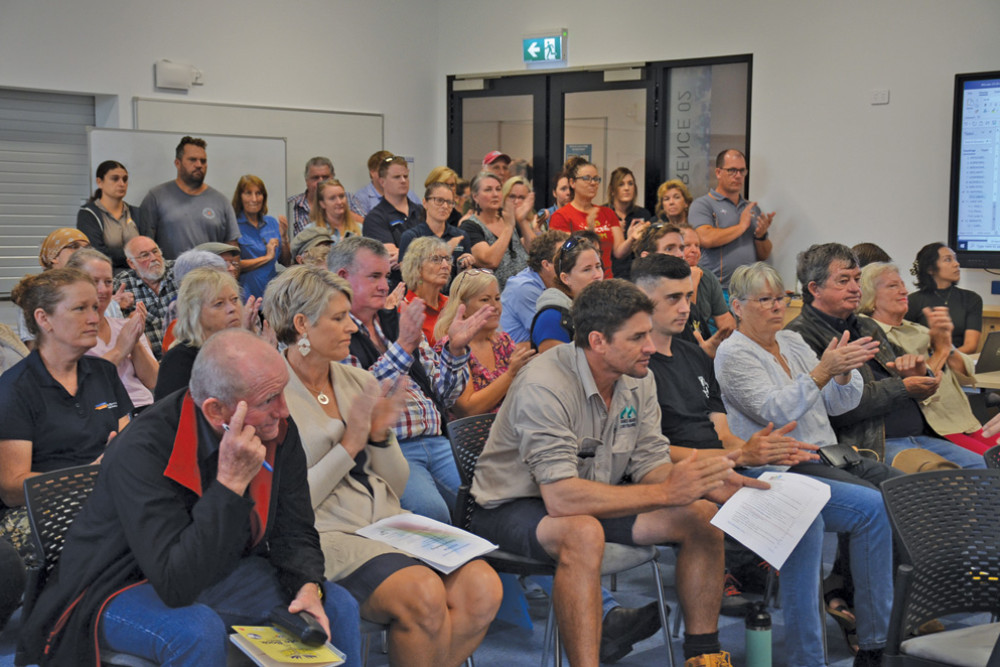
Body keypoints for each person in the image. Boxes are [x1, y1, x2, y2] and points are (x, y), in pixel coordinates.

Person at [17, 329, 362, 666]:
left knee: (336, 605)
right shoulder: (143, 450)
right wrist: (229, 485)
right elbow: (176, 584)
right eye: (268, 400)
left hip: (214, 566)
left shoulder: (274, 428)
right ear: (215, 411)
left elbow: (295, 529)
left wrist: (306, 585)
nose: (284, 411)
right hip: (115, 583)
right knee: (196, 630)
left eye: (283, 393)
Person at [471, 278, 765, 667]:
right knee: (582, 532)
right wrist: (667, 492)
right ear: (597, 342)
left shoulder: (637, 377)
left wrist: (705, 482)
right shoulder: (545, 384)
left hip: (592, 494)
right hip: (511, 505)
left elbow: (650, 465)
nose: (650, 347)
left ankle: (704, 656)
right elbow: (561, 499)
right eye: (638, 336)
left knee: (702, 517)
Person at [263, 266, 503, 667]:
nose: (350, 329)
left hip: (385, 519)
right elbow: (288, 503)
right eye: (338, 319)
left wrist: (378, 438)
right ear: (302, 324)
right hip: (319, 531)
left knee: (483, 588)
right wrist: (351, 443)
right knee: (423, 594)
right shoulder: (270, 391)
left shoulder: (358, 381)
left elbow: (394, 482)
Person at [711, 261, 893, 667]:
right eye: (766, 300)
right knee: (862, 511)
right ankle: (833, 651)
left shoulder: (792, 341)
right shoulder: (733, 353)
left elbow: (838, 403)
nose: (777, 307)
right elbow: (774, 411)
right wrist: (823, 371)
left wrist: (842, 374)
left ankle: (880, 637)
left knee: (893, 500)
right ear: (737, 306)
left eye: (782, 298)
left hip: (823, 456)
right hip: (774, 466)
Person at [328, 237, 493, 524]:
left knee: (490, 501)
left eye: (386, 276)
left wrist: (455, 350)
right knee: (432, 514)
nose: (384, 285)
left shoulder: (395, 320)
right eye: (374, 276)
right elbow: (360, 396)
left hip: (437, 438)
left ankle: (494, 568)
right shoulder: (333, 331)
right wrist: (403, 347)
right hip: (390, 448)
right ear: (343, 277)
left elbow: (445, 394)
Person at [784, 243, 986, 469]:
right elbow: (831, 409)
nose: (854, 288)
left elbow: (909, 374)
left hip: (924, 435)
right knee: (946, 482)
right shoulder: (799, 336)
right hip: (872, 445)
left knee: (990, 473)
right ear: (815, 289)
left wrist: (921, 372)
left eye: (857, 279)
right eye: (843, 281)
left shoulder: (867, 325)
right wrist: (904, 387)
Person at [0, 268, 132, 561]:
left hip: (111, 498)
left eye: (95, 308)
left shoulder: (104, 373)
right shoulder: (15, 389)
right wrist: (86, 477)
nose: (94, 318)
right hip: (52, 512)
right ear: (43, 319)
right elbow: (11, 489)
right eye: (79, 309)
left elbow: (125, 442)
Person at [860, 262, 994, 454]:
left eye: (903, 284)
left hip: (965, 420)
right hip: (938, 427)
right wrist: (940, 352)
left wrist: (947, 347)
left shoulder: (916, 328)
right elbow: (917, 384)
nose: (904, 291)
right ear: (869, 296)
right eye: (892, 286)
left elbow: (966, 373)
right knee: (993, 465)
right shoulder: (873, 335)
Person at [435, 268, 535, 416]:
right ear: (463, 307)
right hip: (477, 434)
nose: (495, 307)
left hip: (513, 427)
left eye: (497, 298)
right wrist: (511, 374)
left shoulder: (502, 341)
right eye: (485, 300)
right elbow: (468, 409)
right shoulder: (451, 348)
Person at [67, 248, 158, 410]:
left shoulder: (123, 326)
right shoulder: (66, 334)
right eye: (94, 281)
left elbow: (153, 380)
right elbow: (78, 385)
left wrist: (134, 341)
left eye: (108, 282)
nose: (103, 290)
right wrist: (120, 349)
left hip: (143, 411)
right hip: (101, 413)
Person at [138, 135, 240, 260]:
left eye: (203, 161)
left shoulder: (221, 201)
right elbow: (143, 245)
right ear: (177, 163)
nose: (199, 165)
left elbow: (232, 246)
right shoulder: (156, 197)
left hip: (210, 275)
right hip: (170, 276)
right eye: (192, 160)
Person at [634, 223, 735, 345]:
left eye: (681, 248)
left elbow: (724, 321)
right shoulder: (639, 294)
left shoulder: (706, 276)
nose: (680, 255)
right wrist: (692, 286)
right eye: (669, 248)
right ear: (647, 257)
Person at [549, 156, 647, 279]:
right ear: (572, 182)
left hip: (606, 281)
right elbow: (565, 256)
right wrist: (589, 233)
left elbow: (619, 252)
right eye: (587, 178)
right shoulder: (561, 216)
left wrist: (632, 238)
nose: (593, 183)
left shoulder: (607, 213)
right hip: (580, 282)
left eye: (596, 179)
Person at [689, 149, 774, 291]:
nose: (738, 176)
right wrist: (741, 227)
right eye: (732, 170)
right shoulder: (703, 204)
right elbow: (706, 238)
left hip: (748, 289)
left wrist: (761, 236)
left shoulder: (751, 208)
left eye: (742, 171)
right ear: (718, 172)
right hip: (716, 290)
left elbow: (763, 255)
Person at [154, 268, 243, 400]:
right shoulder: (179, 360)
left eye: (234, 299)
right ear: (194, 313)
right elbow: (175, 416)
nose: (232, 308)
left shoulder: (241, 348)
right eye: (219, 304)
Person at [16, 228, 94, 345]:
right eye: (73, 246)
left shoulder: (97, 292)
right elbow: (33, 349)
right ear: (54, 256)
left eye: (87, 248)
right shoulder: (33, 296)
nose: (82, 252)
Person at [530, 233, 603, 352]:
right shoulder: (551, 318)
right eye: (587, 269)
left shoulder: (603, 306)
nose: (597, 275)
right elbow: (557, 368)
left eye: (598, 266)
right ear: (565, 278)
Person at [460, 171, 533, 291]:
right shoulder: (469, 226)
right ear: (475, 197)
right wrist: (509, 227)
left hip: (525, 291)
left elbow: (534, 251)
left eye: (498, 189)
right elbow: (490, 261)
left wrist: (522, 220)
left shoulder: (509, 219)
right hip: (495, 297)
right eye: (488, 190)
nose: (495, 194)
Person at [906, 242, 982, 354]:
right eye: (948, 260)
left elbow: (971, 346)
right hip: (925, 363)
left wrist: (945, 357)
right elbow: (906, 344)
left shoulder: (971, 298)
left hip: (959, 362)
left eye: (955, 259)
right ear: (930, 269)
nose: (956, 264)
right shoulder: (912, 301)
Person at [113, 235, 178, 359]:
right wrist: (115, 305)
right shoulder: (121, 284)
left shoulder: (178, 272)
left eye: (155, 251)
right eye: (144, 255)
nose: (153, 258)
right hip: (149, 361)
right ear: (131, 263)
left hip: (187, 354)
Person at [499, 230, 568, 344]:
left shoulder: (557, 283)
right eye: (564, 258)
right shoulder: (523, 288)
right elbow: (554, 334)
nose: (572, 262)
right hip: (515, 357)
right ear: (546, 265)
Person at [398, 182, 473, 277]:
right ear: (425, 203)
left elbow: (466, 279)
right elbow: (408, 276)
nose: (445, 206)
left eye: (449, 202)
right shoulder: (411, 237)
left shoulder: (460, 236)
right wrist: (446, 249)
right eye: (439, 200)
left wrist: (466, 266)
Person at [76, 159, 139, 271]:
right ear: (99, 182)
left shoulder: (137, 213)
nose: (122, 184)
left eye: (125, 179)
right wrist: (135, 254)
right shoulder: (88, 214)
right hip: (106, 276)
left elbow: (148, 248)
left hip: (140, 276)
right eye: (115, 179)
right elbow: (96, 253)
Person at [362, 155, 423, 268]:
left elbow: (437, 249)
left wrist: (405, 255)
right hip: (396, 282)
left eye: (405, 176)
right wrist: (425, 256)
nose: (403, 180)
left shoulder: (421, 211)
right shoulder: (375, 218)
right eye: (396, 177)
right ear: (382, 181)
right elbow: (391, 258)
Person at [234, 174, 288, 300]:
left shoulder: (272, 222)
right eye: (248, 193)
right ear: (240, 197)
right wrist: (267, 257)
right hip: (246, 298)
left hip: (271, 296)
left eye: (258, 193)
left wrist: (284, 238)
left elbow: (285, 262)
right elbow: (234, 265)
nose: (254, 199)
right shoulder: (234, 225)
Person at [400, 236, 452, 346]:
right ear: (416, 267)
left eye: (447, 259)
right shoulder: (405, 310)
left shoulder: (452, 305)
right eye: (435, 259)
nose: (445, 266)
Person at [606, 167, 653, 279]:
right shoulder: (604, 213)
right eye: (621, 184)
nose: (626, 188)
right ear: (612, 190)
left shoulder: (643, 214)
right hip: (611, 273)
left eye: (630, 184)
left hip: (636, 274)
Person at [351, 150, 421, 218]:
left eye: (405, 176)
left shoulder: (409, 194)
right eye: (382, 170)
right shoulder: (361, 197)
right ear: (372, 172)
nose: (402, 180)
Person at [288, 156, 334, 235]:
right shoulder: (291, 205)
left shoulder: (348, 200)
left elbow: (362, 227)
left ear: (333, 178)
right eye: (315, 178)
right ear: (307, 181)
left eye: (325, 177)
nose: (321, 182)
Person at [310, 177, 362, 242]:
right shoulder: (311, 232)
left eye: (341, 196)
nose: (339, 202)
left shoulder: (360, 228)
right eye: (332, 198)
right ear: (322, 204)